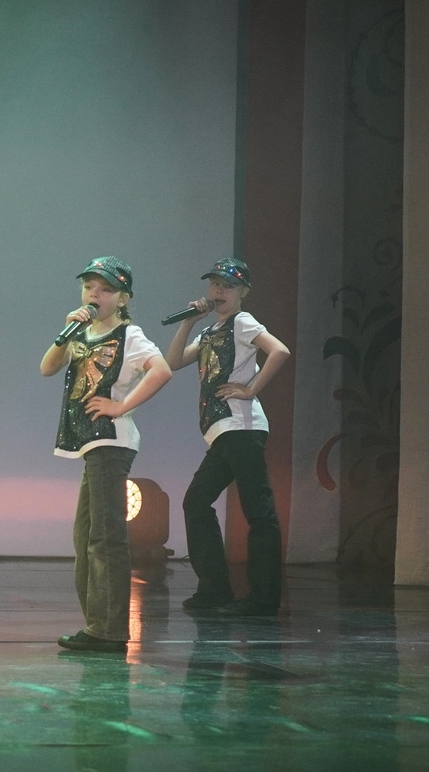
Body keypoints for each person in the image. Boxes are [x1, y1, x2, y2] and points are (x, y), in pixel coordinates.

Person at [40, 257, 172, 652]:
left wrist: (121, 406)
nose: (94, 294)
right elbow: (47, 368)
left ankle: (109, 631)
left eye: (105, 289)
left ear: (123, 298)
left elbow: (161, 370)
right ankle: (98, 624)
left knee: (105, 537)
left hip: (111, 443)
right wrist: (65, 333)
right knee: (86, 536)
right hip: (92, 445)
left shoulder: (129, 334)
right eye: (89, 287)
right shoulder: (80, 332)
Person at [164, 258, 291, 617]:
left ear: (243, 292)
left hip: (242, 428)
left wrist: (251, 389)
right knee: (196, 502)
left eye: (228, 286)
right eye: (214, 284)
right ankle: (215, 589)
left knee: (258, 510)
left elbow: (279, 350)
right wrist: (189, 321)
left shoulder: (242, 321)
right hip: (223, 432)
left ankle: (263, 598)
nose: (218, 291)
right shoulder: (210, 332)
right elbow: (172, 362)